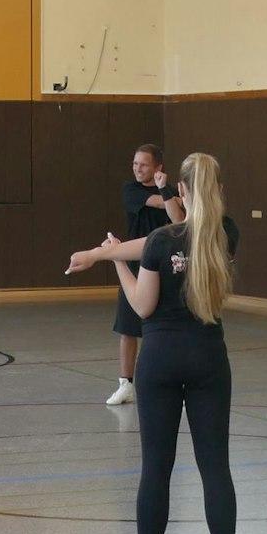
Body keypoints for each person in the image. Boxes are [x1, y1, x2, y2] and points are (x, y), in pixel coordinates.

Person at [68, 154, 242, 534]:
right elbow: (165, 240)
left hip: (160, 362)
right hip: (208, 359)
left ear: (179, 190)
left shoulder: (162, 241)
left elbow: (143, 304)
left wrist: (114, 263)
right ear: (217, 189)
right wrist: (103, 252)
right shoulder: (226, 234)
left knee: (156, 468)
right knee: (215, 466)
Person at [107, 145, 185, 406]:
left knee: (170, 326)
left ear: (158, 168)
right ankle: (125, 384)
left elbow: (178, 215)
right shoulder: (131, 190)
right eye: (135, 164)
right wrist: (170, 198)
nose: (137, 169)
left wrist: (169, 193)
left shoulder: (170, 191)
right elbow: (159, 204)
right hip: (135, 265)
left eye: (143, 165)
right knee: (128, 328)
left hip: (167, 266)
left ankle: (177, 382)